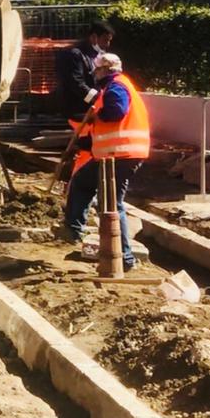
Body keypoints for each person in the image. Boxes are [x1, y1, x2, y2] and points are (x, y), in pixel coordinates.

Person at [60, 52, 151, 270]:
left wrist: (95, 116)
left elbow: (116, 113)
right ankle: (73, 228)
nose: (95, 75)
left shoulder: (116, 87)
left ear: (103, 71)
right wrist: (82, 144)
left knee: (111, 203)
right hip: (112, 154)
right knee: (82, 182)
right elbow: (106, 130)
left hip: (120, 155)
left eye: (97, 71)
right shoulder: (112, 88)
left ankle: (124, 258)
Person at [53, 21, 113, 124]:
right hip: (76, 107)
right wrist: (96, 99)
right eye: (105, 40)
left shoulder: (94, 54)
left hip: (87, 106)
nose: (107, 44)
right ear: (94, 37)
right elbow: (77, 84)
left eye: (109, 41)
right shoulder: (74, 54)